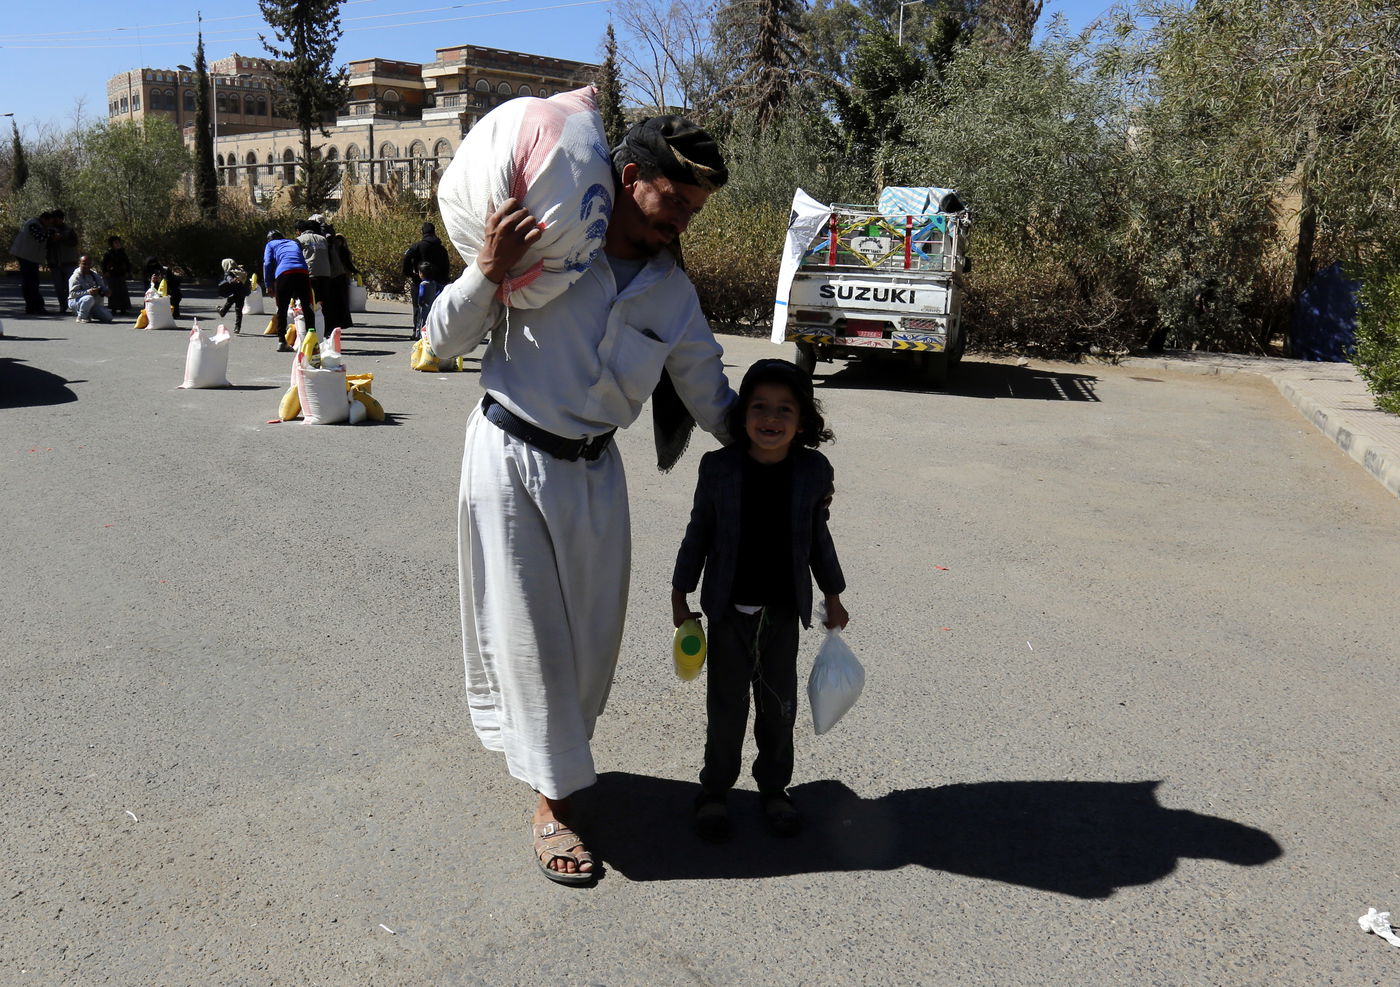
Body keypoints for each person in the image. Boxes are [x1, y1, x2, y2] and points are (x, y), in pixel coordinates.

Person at [426, 116, 734, 885]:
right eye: (676, 200)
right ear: (630, 179)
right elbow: (440, 340)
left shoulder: (673, 292)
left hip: (597, 477)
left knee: (591, 650)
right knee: (531, 637)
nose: (680, 221)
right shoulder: (549, 253)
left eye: (694, 213)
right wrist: (489, 270)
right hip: (508, 460)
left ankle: (555, 763)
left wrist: (779, 445)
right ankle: (553, 804)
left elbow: (710, 395)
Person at [671, 359, 849, 843]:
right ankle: (714, 791)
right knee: (726, 708)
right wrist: (679, 592)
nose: (771, 418)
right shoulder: (719, 468)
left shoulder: (813, 472)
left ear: (803, 419)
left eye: (785, 409)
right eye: (760, 407)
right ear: (743, 414)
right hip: (728, 612)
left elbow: (817, 538)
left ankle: (774, 788)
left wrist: (833, 594)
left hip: (781, 615)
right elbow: (699, 531)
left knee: (778, 708)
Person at [263, 230, 314, 352]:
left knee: (282, 307)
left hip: (284, 273)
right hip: (302, 272)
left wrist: (268, 284)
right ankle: (312, 340)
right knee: (307, 306)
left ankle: (282, 341)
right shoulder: (293, 242)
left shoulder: (270, 244)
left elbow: (268, 263)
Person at [401, 222, 451, 327]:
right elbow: (446, 265)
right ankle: (434, 330)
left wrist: (409, 273)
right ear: (434, 232)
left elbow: (406, 257)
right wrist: (445, 280)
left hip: (419, 280)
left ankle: (418, 330)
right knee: (436, 307)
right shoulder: (441, 249)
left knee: (418, 307)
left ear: (423, 232)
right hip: (438, 282)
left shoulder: (417, 246)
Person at [10, 211, 57, 314]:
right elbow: (40, 238)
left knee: (33, 282)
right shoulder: (33, 224)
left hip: (31, 257)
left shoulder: (39, 225)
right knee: (30, 282)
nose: (50, 225)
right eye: (49, 222)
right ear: (45, 219)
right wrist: (50, 232)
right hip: (25, 256)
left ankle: (33, 306)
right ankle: (34, 306)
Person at [296, 220, 333, 328]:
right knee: (323, 301)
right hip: (325, 273)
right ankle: (326, 328)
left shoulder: (299, 240)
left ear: (300, 231)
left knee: (309, 301)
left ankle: (311, 327)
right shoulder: (323, 239)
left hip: (309, 274)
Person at [48, 210, 80, 313]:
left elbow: (74, 243)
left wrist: (61, 238)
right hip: (54, 262)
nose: (56, 220)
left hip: (68, 262)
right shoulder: (48, 230)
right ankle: (63, 306)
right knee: (59, 287)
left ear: (62, 219)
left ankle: (73, 305)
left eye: (58, 218)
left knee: (70, 286)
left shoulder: (69, 230)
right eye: (54, 218)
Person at [68, 254, 114, 323]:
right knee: (89, 298)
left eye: (88, 264)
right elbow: (72, 294)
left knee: (108, 317)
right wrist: (89, 291)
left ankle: (90, 313)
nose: (86, 266)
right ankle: (81, 316)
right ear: (79, 264)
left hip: (93, 303)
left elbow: (103, 287)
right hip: (75, 301)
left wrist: (106, 291)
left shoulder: (95, 276)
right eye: (84, 264)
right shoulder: (75, 277)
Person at [328, 230, 359, 329]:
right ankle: (343, 321)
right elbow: (348, 264)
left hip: (335, 277)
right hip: (342, 277)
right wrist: (356, 271)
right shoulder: (343, 250)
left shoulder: (332, 249)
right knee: (342, 299)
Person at [216, 258, 251, 334]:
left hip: (233, 293)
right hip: (242, 293)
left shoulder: (229, 272)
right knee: (239, 310)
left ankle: (222, 312)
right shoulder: (241, 270)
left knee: (228, 304)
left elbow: (228, 278)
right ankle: (237, 327)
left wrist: (232, 281)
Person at [101, 235, 133, 315]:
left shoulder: (122, 252)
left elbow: (127, 263)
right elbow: (104, 264)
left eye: (119, 242)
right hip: (112, 275)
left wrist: (128, 272)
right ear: (112, 244)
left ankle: (123, 308)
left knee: (123, 292)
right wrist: (105, 272)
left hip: (121, 275)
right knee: (113, 292)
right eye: (116, 243)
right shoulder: (108, 254)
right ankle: (113, 308)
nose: (118, 244)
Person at [413, 261, 444, 339]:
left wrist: (420, 302)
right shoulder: (434, 283)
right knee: (430, 319)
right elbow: (441, 289)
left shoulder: (423, 284)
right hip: (432, 304)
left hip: (424, 305)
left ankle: (420, 335)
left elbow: (421, 294)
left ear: (421, 274)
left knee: (422, 319)